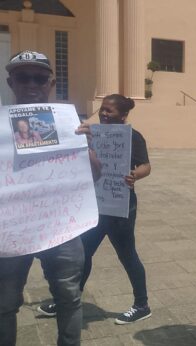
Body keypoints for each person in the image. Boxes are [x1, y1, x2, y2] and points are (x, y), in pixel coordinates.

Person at [0, 50, 100, 346]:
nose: (32, 84)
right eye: (24, 77)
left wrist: (85, 148)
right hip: (12, 230)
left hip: (60, 227)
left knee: (69, 298)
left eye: (40, 78)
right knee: (4, 303)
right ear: (11, 82)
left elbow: (94, 176)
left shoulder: (70, 124)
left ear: (50, 84)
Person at [37, 94, 153, 324]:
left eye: (109, 110)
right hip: (94, 204)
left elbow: (146, 166)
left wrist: (135, 175)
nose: (104, 113)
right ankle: (69, 300)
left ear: (123, 115)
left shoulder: (133, 136)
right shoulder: (91, 133)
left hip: (120, 206)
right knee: (83, 254)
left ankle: (142, 305)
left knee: (127, 255)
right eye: (102, 109)